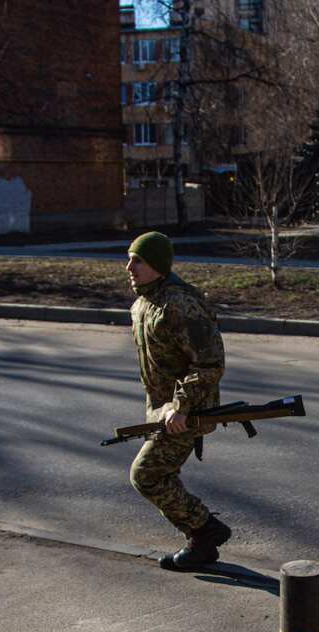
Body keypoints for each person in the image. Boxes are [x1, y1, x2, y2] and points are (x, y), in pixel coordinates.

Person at [124, 231, 231, 570]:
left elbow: (210, 362)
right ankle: (202, 541)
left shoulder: (179, 304)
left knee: (146, 475)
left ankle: (205, 530)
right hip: (163, 411)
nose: (129, 266)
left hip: (189, 411)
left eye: (137, 260)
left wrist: (181, 405)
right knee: (159, 474)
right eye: (129, 258)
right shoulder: (143, 303)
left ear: (157, 264)